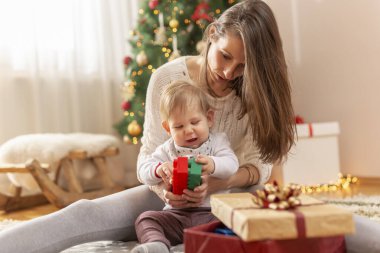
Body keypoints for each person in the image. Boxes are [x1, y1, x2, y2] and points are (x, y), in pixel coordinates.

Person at [0, 1, 379, 252]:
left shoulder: (253, 91)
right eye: (225, 56)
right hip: (169, 197)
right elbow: (147, 156)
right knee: (86, 212)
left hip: (235, 194)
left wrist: (221, 181)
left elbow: (260, 167)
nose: (229, 72)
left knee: (316, 217)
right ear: (212, 34)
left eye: (243, 66)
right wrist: (167, 184)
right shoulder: (167, 79)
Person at [133, 80, 239, 253]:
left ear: (209, 118)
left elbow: (232, 164)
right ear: (168, 128)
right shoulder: (167, 148)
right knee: (145, 219)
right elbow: (144, 170)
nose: (189, 131)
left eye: (195, 122)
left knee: (236, 220)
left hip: (211, 213)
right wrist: (159, 169)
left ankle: (214, 244)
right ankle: (157, 245)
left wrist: (213, 164)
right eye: (179, 126)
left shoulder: (218, 141)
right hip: (176, 215)